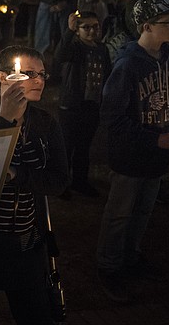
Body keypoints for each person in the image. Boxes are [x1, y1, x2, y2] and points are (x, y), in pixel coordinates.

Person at [0, 45, 69, 324]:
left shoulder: (43, 122)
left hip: (26, 243)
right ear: (1, 76)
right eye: (28, 73)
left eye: (42, 74)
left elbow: (59, 180)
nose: (39, 80)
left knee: (34, 312)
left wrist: (19, 174)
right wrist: (5, 119)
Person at [97, 0, 169, 303]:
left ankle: (131, 257)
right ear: (147, 26)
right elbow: (113, 117)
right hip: (131, 155)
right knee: (120, 212)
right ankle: (109, 267)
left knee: (144, 210)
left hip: (158, 154)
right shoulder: (127, 65)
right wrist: (154, 138)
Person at [56, 11, 111, 198]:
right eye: (85, 27)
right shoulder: (75, 47)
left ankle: (80, 181)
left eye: (95, 26)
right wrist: (69, 31)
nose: (91, 31)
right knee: (67, 146)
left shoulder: (102, 49)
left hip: (92, 105)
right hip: (72, 106)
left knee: (84, 146)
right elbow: (60, 55)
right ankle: (61, 184)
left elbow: (107, 75)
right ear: (78, 30)